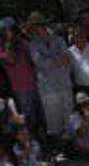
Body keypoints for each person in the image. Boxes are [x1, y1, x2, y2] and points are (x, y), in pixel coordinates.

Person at [28, 12, 74, 144]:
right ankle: (58, 143)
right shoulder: (33, 44)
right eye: (36, 26)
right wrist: (57, 61)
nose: (39, 28)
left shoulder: (58, 39)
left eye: (41, 25)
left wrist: (51, 62)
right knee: (53, 115)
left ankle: (73, 140)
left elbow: (66, 57)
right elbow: (39, 62)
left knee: (69, 112)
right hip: (47, 86)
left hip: (63, 81)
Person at [0, 17, 40, 133]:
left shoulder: (23, 42)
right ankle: (30, 139)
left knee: (42, 114)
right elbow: (11, 60)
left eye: (11, 29)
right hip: (21, 88)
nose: (9, 32)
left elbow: (34, 61)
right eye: (5, 30)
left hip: (37, 83)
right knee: (29, 117)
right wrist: (9, 42)